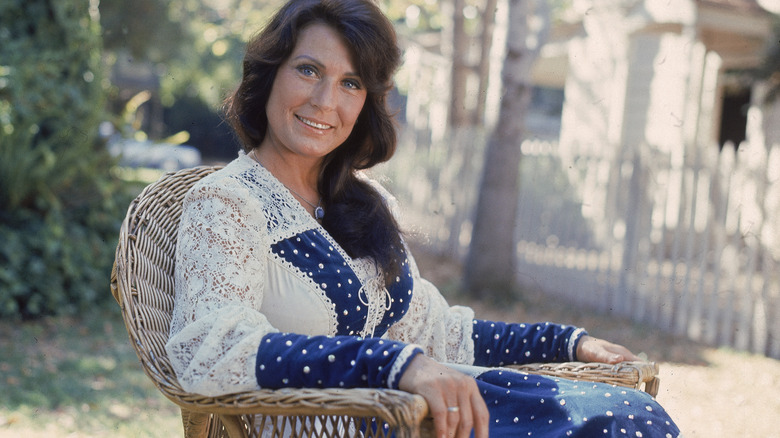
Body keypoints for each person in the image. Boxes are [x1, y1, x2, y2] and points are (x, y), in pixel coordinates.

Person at [165, 0, 681, 436]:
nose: (325, 101)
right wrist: (396, 365)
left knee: (633, 416)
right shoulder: (227, 204)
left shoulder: (362, 203)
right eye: (308, 70)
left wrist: (566, 341)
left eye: (350, 83)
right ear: (268, 74)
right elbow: (212, 350)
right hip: (372, 423)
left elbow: (441, 334)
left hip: (429, 418)